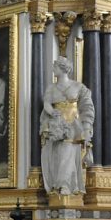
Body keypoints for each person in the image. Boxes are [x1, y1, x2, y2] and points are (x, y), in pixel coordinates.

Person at [40, 57, 95, 195]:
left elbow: (87, 107)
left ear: (63, 68)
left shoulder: (78, 87)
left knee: (68, 152)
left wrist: (87, 127)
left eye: (55, 66)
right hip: (57, 124)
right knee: (57, 154)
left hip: (73, 125)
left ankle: (66, 185)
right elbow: (46, 103)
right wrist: (52, 112)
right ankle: (58, 185)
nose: (53, 69)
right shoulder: (51, 88)